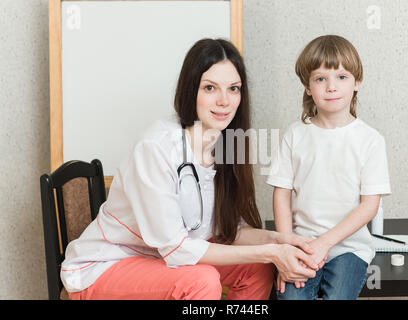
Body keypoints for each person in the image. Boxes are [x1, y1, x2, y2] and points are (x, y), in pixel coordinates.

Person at [61, 38, 325, 300]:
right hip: (109, 265)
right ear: (190, 90)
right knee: (202, 281)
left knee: (258, 269)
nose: (224, 101)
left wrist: (278, 241)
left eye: (233, 89)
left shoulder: (226, 143)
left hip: (164, 260)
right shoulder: (156, 147)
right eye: (210, 88)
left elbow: (229, 231)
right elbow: (176, 249)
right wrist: (270, 251)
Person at [266, 35, 391, 300]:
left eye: (342, 77)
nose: (331, 87)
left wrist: (325, 243)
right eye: (321, 79)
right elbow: (281, 194)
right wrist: (286, 251)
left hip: (350, 248)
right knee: (291, 296)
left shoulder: (370, 140)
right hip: (302, 244)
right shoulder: (295, 135)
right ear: (308, 86)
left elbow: (369, 206)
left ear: (357, 83)